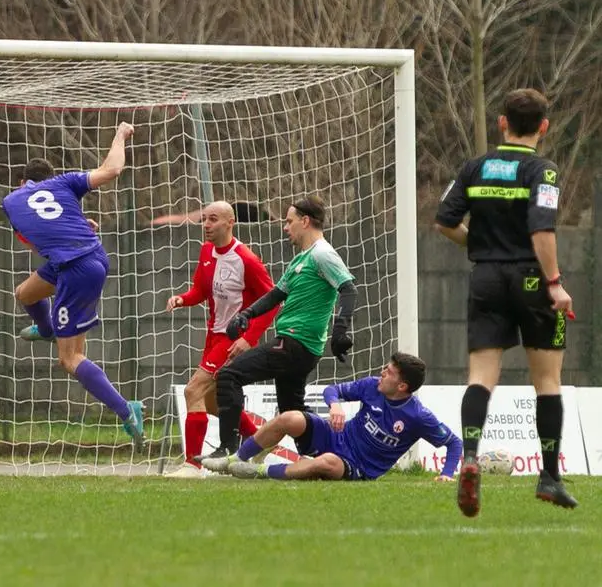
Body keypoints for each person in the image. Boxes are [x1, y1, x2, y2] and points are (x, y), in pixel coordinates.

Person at [435, 88, 578, 516]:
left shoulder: (474, 167)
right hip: (532, 278)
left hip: (486, 278)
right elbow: (541, 232)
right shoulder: (543, 171)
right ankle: (550, 477)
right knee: (547, 382)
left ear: (502, 123)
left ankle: (471, 457)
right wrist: (554, 282)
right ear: (544, 127)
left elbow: (444, 222)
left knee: (481, 376)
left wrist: (476, 244)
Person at [2, 122, 144, 448]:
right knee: (25, 293)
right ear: (49, 178)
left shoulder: (11, 201)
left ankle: (127, 410)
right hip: (86, 259)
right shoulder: (64, 182)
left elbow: (32, 239)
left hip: (75, 269)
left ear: (24, 182)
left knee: (70, 359)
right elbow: (113, 169)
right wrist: (120, 133)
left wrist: (75, 227)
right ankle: (48, 327)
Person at [200, 195, 357, 462]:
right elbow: (276, 294)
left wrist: (340, 330)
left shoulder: (322, 253)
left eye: (289, 221)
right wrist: (247, 314)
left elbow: (348, 289)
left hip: (296, 343)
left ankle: (228, 450)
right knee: (292, 412)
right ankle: (327, 454)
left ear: (305, 221)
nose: (285, 227)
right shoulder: (301, 260)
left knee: (228, 375)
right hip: (299, 346)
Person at [203, 352, 462, 482]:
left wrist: (447, 474)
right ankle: (235, 459)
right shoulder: (373, 386)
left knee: (327, 462)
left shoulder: (418, 416)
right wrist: (335, 404)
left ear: (403, 386)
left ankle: (258, 471)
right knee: (290, 418)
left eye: (390, 372)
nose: (382, 373)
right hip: (335, 436)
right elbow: (332, 390)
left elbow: (454, 442)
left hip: (357, 466)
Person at [164, 200, 279, 478]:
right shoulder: (206, 251)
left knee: (193, 391)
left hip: (233, 338)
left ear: (230, 222)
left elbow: (273, 302)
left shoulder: (247, 260)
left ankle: (192, 465)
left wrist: (249, 338)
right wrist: (182, 299)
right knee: (213, 402)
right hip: (212, 337)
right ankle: (261, 441)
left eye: (213, 219)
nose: (206, 225)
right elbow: (200, 291)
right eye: (204, 219)